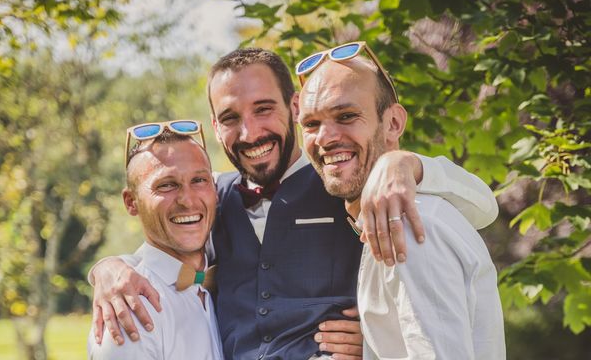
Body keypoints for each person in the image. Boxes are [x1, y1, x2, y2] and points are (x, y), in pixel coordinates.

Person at [89, 48, 499, 360]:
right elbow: (175, 259)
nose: (250, 132)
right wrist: (107, 270)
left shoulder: (347, 180)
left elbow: (482, 208)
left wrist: (408, 163)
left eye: (263, 109)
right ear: (215, 127)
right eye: (230, 118)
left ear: (293, 107)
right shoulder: (209, 196)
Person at [296, 42, 506, 359]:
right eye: (311, 124)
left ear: (393, 123)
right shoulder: (389, 218)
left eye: (347, 115)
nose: (325, 138)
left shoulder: (408, 225)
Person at [87, 126, 223, 359]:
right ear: (131, 202)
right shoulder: (132, 308)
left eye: (199, 180)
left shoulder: (212, 285)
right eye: (166, 185)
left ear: (215, 190)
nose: (187, 200)